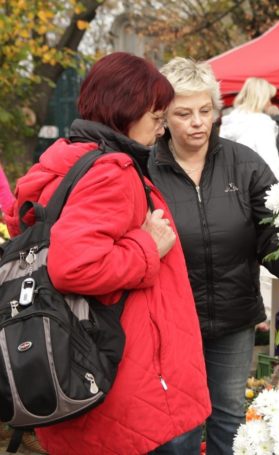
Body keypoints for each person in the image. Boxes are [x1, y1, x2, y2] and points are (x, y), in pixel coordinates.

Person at [5, 52, 210, 455]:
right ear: (126, 111)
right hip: (135, 388)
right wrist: (147, 246)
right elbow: (73, 266)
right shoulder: (109, 172)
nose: (161, 127)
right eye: (156, 116)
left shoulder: (65, 161)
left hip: (85, 371)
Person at [148, 57, 279, 455]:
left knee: (229, 415)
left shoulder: (243, 163)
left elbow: (270, 232)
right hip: (170, 321)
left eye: (205, 111)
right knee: (178, 424)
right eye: (183, 113)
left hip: (233, 315)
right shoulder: (145, 167)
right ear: (164, 117)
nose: (197, 122)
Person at [219, 77, 279, 179]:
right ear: (262, 98)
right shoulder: (261, 122)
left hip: (232, 181)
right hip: (257, 183)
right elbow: (271, 161)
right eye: (268, 97)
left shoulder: (231, 120)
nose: (269, 102)